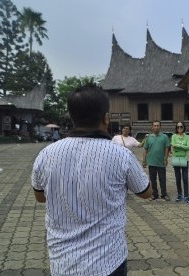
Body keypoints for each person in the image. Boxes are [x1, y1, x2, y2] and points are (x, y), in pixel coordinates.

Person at [31, 84, 151, 276]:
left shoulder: (46, 154)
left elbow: (40, 197)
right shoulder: (121, 155)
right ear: (106, 118)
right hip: (109, 261)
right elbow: (146, 192)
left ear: (71, 117)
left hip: (63, 263)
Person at [143, 121, 171, 201]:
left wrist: (165, 159)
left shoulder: (164, 137)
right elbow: (145, 149)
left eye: (158, 125)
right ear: (152, 127)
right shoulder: (149, 137)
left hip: (161, 162)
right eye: (154, 125)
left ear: (160, 127)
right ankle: (154, 194)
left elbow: (166, 148)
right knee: (152, 179)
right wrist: (144, 161)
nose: (156, 127)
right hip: (151, 162)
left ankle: (164, 194)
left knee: (162, 179)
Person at [171, 122, 189, 205]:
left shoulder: (187, 136)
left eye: (181, 127)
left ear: (184, 127)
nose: (179, 128)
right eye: (178, 127)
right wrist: (183, 146)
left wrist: (178, 146)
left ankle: (186, 196)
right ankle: (179, 194)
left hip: (185, 159)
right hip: (176, 159)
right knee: (178, 178)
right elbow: (173, 145)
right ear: (176, 128)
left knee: (185, 178)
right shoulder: (173, 136)